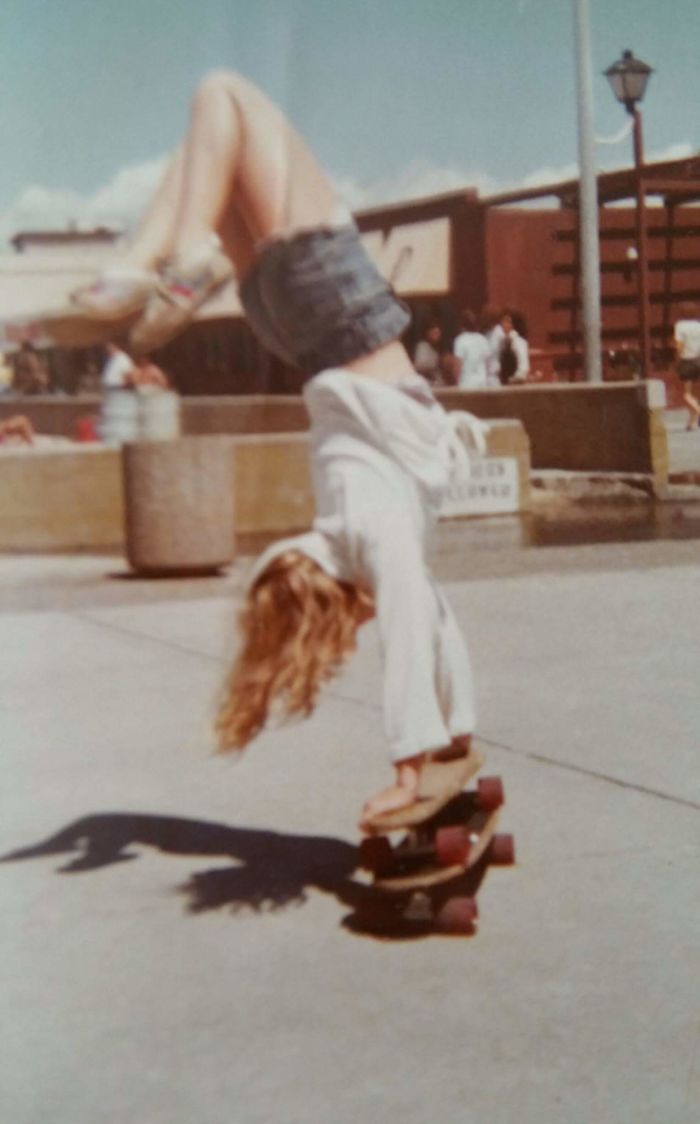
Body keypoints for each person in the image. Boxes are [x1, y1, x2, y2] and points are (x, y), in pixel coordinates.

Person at [68, 70, 486, 827]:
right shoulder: (355, 536)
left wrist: (412, 760)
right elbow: (426, 614)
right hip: (298, 326)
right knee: (215, 136)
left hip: (335, 315)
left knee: (222, 98)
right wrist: (455, 731)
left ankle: (159, 258)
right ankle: (157, 259)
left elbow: (410, 625)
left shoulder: (371, 533)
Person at [673, 302, 700, 430]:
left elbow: (679, 345)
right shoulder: (698, 325)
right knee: (696, 393)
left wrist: (677, 360)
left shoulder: (680, 326)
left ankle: (698, 411)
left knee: (687, 395)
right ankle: (691, 422)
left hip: (687, 360)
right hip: (698, 359)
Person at [452, 309, 490, 389]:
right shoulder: (483, 339)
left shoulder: (460, 340)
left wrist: (456, 382)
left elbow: (458, 365)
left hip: (466, 384)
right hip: (482, 383)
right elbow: (487, 364)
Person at [412, 321, 452, 387]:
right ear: (427, 333)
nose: (438, 336)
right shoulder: (422, 346)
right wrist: (437, 362)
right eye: (435, 333)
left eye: (439, 333)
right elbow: (420, 365)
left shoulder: (435, 348)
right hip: (427, 383)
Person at [497, 311, 530, 385]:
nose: (504, 324)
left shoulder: (519, 342)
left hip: (516, 384)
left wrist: (513, 380)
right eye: (503, 321)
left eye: (507, 322)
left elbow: (523, 366)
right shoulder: (500, 341)